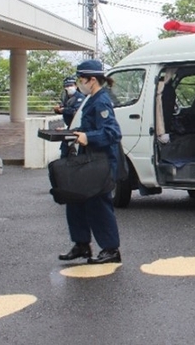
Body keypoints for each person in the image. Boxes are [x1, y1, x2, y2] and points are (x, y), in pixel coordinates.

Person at [58, 59, 124, 265]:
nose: (78, 83)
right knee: (75, 199)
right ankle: (81, 244)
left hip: (100, 162)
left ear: (92, 80)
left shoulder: (101, 101)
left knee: (98, 204)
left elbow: (113, 132)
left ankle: (111, 249)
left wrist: (89, 137)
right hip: (87, 160)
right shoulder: (91, 98)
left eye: (81, 79)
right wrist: (71, 133)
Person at [54, 76, 85, 158]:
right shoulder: (66, 97)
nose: (69, 88)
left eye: (70, 85)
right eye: (66, 86)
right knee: (64, 150)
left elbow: (76, 111)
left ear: (75, 86)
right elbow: (63, 107)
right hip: (69, 127)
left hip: (77, 128)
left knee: (73, 151)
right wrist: (57, 109)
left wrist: (64, 110)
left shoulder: (80, 98)